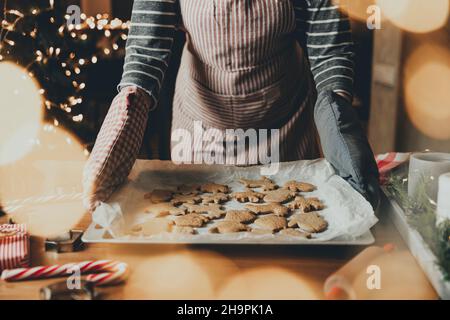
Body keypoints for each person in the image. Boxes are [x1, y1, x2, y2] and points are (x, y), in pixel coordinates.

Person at [83, 0, 379, 211]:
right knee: (197, 225)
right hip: (201, 122)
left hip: (284, 123)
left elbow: (329, 46)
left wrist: (337, 112)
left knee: (289, 220)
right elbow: (147, 49)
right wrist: (126, 115)